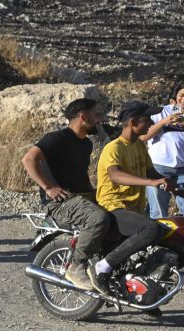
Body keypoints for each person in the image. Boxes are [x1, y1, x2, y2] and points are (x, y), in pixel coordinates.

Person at [21, 98, 110, 290]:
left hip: (81, 196)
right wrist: (49, 188)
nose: (99, 120)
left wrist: (98, 194)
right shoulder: (57, 138)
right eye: (96, 115)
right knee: (98, 218)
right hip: (61, 201)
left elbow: (79, 175)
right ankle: (75, 266)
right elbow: (29, 159)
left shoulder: (86, 144)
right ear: (83, 116)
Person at [89, 101, 172, 293]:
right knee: (150, 229)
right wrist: (151, 183)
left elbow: (151, 172)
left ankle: (144, 291)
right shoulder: (114, 147)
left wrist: (176, 187)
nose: (151, 122)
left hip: (133, 209)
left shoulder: (139, 145)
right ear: (133, 122)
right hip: (113, 206)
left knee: (165, 233)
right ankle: (102, 268)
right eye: (147, 119)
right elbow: (115, 175)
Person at [143, 79, 184, 218]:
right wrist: (165, 122)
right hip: (159, 167)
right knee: (157, 208)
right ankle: (157, 237)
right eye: (181, 95)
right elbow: (144, 137)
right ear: (175, 96)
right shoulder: (161, 112)